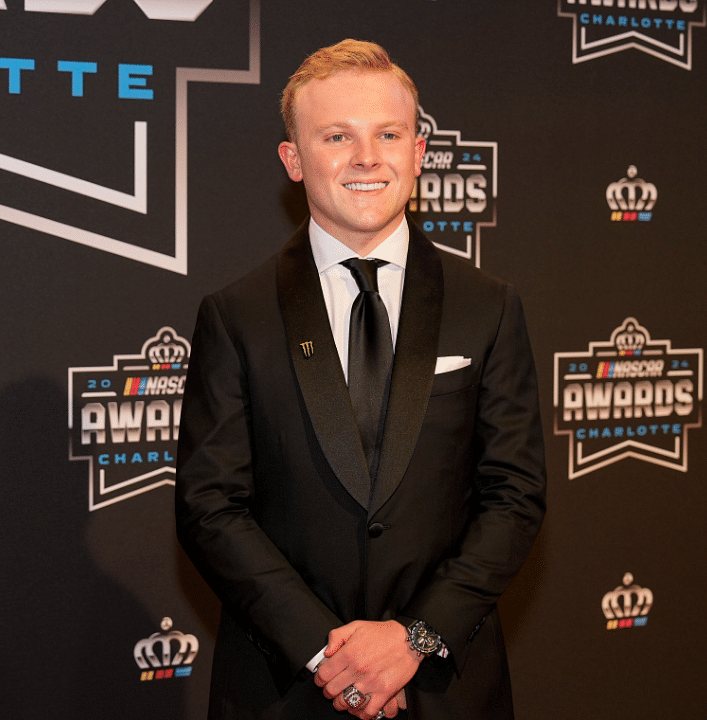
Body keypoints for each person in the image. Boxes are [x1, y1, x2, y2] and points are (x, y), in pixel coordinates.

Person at [175, 39, 546, 720]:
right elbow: (209, 507)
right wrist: (330, 655)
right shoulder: (236, 316)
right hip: (284, 689)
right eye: (337, 136)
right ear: (293, 159)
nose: (367, 157)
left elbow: (515, 497)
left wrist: (413, 641)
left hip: (444, 689)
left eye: (388, 134)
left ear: (419, 152)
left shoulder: (488, 306)